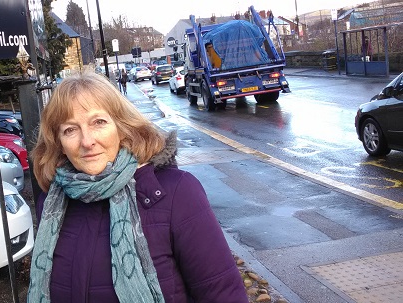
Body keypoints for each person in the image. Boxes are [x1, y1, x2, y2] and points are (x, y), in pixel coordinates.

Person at [27, 70, 249, 303]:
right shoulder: (51, 203)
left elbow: (223, 293)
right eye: (70, 129)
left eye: (99, 122)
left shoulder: (177, 194)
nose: (87, 141)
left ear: (121, 128)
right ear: (59, 143)